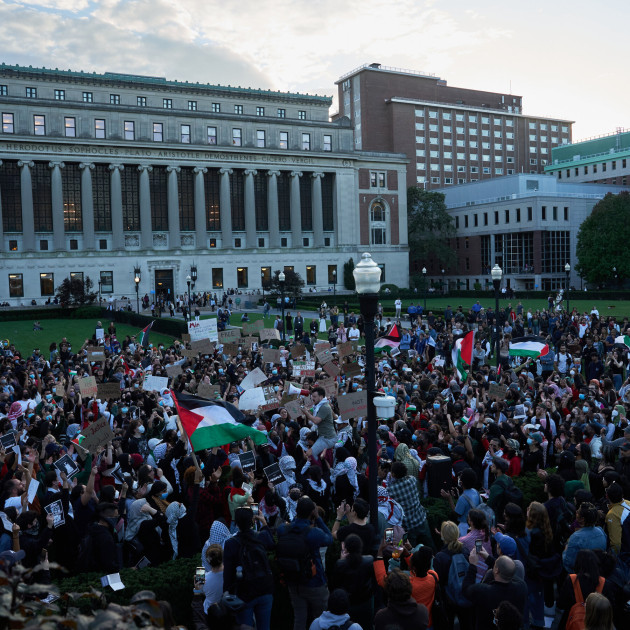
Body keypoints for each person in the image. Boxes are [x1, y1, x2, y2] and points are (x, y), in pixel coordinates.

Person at [277, 497, 334, 630]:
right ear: (312, 513)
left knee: (299, 618)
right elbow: (330, 539)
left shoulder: (282, 530)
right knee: (322, 620)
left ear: (296, 511)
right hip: (314, 582)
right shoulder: (313, 533)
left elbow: (288, 529)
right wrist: (318, 518)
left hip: (293, 581)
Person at [223, 507, 275, 630]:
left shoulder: (231, 543)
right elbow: (272, 544)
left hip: (244, 593)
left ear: (236, 523)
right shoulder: (260, 536)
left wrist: (226, 592)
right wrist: (264, 523)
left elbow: (228, 573)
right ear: (252, 521)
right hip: (265, 588)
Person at [463, 552, 527, 630]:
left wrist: (472, 565)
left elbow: (466, 588)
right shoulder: (522, 587)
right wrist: (488, 557)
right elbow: (507, 571)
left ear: (496, 570)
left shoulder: (483, 592)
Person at [387, 461, 434, 549]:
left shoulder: (390, 490)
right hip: (421, 519)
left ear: (393, 474)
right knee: (430, 546)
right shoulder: (412, 480)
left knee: (412, 552)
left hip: (408, 526)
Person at [562, 503, 607, 572]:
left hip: (581, 575)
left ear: (582, 519)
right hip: (598, 571)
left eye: (578, 512)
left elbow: (568, 562)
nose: (576, 511)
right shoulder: (601, 531)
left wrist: (565, 550)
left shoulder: (575, 537)